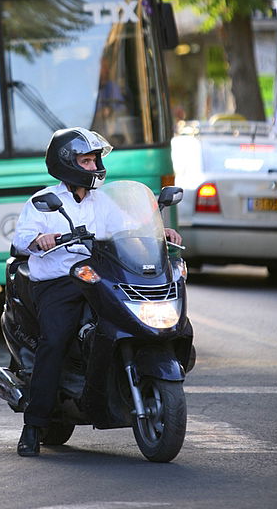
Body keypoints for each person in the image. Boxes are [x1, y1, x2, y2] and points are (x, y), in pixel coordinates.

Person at [12, 126, 182, 457]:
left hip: (98, 276)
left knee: (128, 320)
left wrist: (159, 232)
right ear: (67, 163)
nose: (94, 167)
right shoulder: (43, 201)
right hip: (59, 281)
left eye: (94, 161)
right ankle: (33, 426)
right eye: (87, 162)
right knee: (55, 340)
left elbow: (128, 229)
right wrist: (39, 240)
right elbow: (21, 239)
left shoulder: (102, 201)